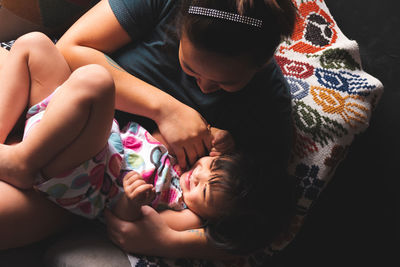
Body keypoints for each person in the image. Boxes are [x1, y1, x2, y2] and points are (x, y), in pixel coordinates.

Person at [0, 0, 296, 259]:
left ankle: (22, 161)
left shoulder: (270, 110)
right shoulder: (165, 3)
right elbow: (69, 48)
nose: (204, 87)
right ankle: (17, 158)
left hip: (88, 171)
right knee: (35, 44)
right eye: (190, 68)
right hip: (61, 99)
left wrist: (170, 242)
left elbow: (257, 225)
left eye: (225, 84)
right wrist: (165, 109)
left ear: (262, 62)